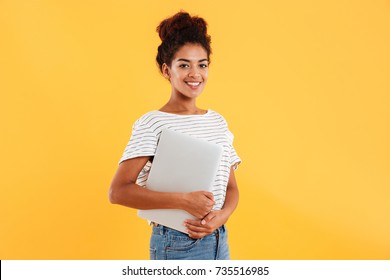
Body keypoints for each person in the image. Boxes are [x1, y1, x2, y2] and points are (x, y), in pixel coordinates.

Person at [109, 11, 241, 260]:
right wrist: (183, 201)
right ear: (167, 70)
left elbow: (231, 188)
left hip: (218, 240)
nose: (195, 74)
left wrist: (221, 217)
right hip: (176, 242)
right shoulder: (153, 123)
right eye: (184, 65)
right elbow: (117, 192)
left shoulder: (217, 121)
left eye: (202, 64)